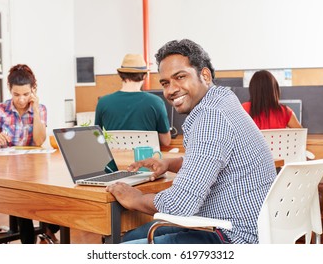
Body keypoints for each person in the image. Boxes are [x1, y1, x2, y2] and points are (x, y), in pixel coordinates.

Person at [106, 39, 277, 244]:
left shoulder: (210, 116)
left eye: (180, 77)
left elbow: (181, 204)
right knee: (136, 234)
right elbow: (214, 162)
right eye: (165, 83)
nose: (170, 90)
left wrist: (136, 199)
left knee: (121, 248)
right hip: (253, 229)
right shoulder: (224, 102)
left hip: (233, 238)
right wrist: (171, 163)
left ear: (204, 75)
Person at [0, 64, 59, 244]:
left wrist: (36, 109)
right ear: (10, 89)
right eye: (16, 95)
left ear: (33, 91)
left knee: (57, 197)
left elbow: (39, 140)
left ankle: (47, 228)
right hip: (8, 172)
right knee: (22, 201)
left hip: (34, 169)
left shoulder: (40, 109)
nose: (21, 99)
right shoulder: (0, 110)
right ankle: (30, 242)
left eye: (26, 94)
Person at [95, 54, 171, 147]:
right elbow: (166, 142)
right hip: (146, 160)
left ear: (120, 75)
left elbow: (97, 137)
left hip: (116, 160)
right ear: (144, 76)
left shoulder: (103, 102)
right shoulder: (156, 102)